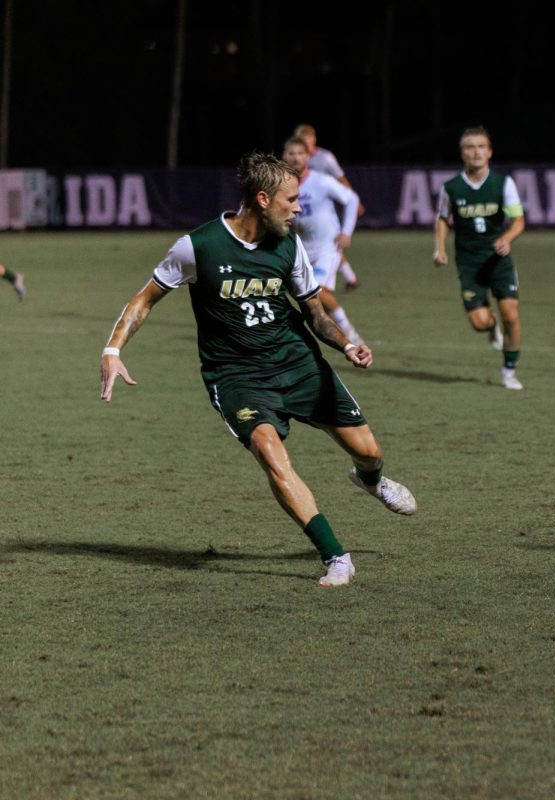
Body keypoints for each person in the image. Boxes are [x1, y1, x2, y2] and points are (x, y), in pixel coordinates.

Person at [99, 152, 417, 588]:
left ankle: (371, 479)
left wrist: (347, 344)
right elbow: (144, 299)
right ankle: (335, 557)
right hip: (237, 378)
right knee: (270, 453)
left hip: (297, 364)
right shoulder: (199, 245)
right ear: (263, 199)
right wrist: (113, 349)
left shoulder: (289, 244)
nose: (299, 208)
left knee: (368, 450)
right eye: (292, 199)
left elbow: (316, 314)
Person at [433, 126, 526, 390]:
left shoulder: (503, 184)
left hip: (498, 260)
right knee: (479, 323)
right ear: (462, 153)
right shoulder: (451, 187)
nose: (476, 152)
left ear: (490, 152)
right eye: (470, 147)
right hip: (469, 264)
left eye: (481, 146)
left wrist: (507, 238)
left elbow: (519, 220)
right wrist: (439, 248)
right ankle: (491, 326)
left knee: (511, 314)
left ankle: (509, 371)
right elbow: (442, 218)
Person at [282, 136, 365, 345]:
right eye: (291, 153)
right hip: (300, 249)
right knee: (308, 296)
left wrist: (346, 231)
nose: (295, 158)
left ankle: (351, 337)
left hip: (327, 247)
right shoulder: (281, 183)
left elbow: (352, 199)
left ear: (307, 157)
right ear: (284, 156)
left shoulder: (321, 181)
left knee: (318, 290)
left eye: (300, 154)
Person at [294, 123, 361, 291]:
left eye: (309, 138)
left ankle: (347, 278)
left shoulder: (325, 157)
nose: (307, 143)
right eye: (303, 140)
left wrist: (353, 198)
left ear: (314, 139)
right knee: (326, 243)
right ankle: (350, 277)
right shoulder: (294, 160)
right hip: (305, 205)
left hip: (327, 201)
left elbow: (340, 178)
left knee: (330, 241)